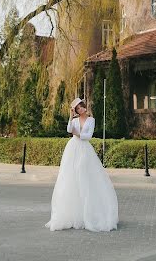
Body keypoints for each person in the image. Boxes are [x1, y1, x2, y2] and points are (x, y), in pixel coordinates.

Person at [45, 97, 118, 232]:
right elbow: (68, 129)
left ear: (85, 107)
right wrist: (71, 116)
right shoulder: (74, 120)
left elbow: (88, 136)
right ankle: (72, 214)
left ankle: (89, 214)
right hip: (72, 149)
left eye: (81, 106)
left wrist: (77, 133)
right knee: (70, 178)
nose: (81, 109)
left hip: (85, 150)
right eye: (78, 108)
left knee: (85, 178)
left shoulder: (91, 120)